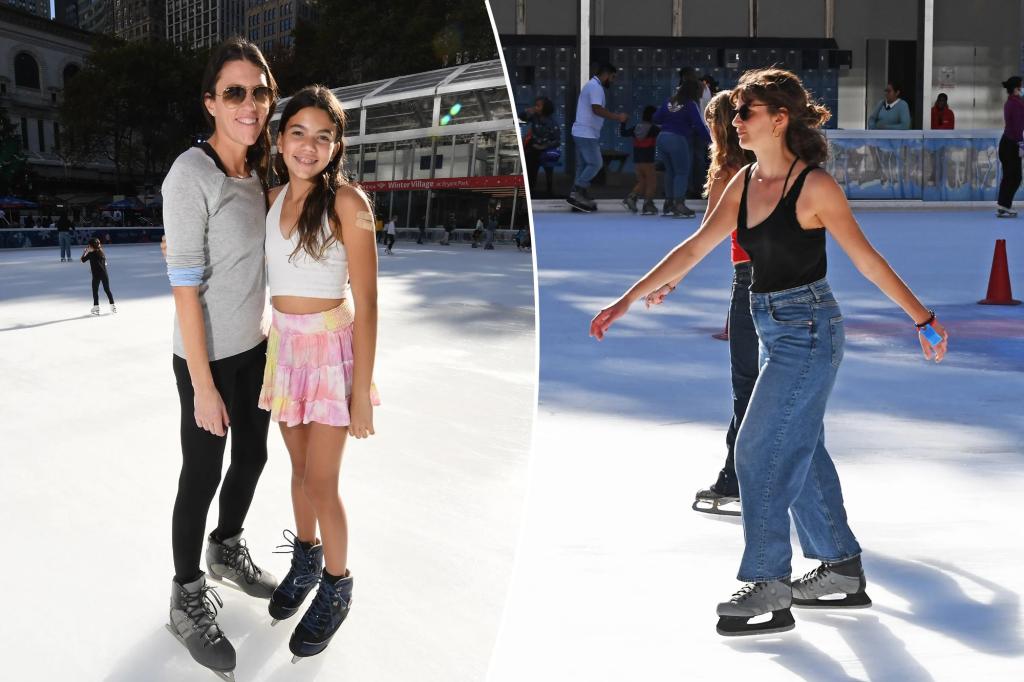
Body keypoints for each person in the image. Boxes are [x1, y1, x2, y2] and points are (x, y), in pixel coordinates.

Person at [590, 67, 948, 637]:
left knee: (759, 449)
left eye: (746, 112)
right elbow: (695, 246)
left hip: (809, 329)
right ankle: (841, 567)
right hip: (770, 327)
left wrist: (922, 319)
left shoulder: (815, 187)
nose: (736, 120)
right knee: (799, 446)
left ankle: (767, 582)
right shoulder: (745, 181)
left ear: (779, 120)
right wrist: (626, 299)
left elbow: (867, 260)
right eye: (736, 113)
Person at [162, 38, 279, 680]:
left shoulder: (257, 172)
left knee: (254, 456)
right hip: (204, 358)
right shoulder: (191, 173)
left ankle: (225, 550)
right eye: (234, 92)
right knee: (201, 476)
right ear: (211, 102)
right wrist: (203, 385)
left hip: (253, 348)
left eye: (259, 91)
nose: (249, 103)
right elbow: (185, 289)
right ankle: (184, 593)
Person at [258, 85, 380, 663]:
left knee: (322, 482)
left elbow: (370, 301)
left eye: (323, 136)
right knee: (298, 472)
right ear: (280, 140)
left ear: (337, 145)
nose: (310, 146)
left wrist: (360, 393)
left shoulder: (347, 201)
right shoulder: (271, 197)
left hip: (332, 356)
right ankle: (305, 561)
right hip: (285, 351)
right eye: (298, 133)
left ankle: (338, 584)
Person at [648, 90, 755, 516]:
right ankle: (757, 475)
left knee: (747, 386)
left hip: (750, 284)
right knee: (773, 385)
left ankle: (737, 478)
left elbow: (702, 242)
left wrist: (669, 283)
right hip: (790, 282)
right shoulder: (767, 167)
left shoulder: (730, 170)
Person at [567, 63, 628, 212]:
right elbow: (597, 109)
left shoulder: (591, 85)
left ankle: (578, 198)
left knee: (583, 166)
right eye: (612, 77)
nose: (612, 81)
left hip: (582, 131)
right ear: (606, 74)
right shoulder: (595, 87)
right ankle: (578, 191)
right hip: (586, 133)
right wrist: (617, 117)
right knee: (595, 164)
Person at [653, 79, 711, 218]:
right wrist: (710, 140)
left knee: (670, 172)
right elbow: (698, 124)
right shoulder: (690, 104)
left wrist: (670, 119)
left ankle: (669, 204)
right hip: (678, 139)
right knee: (681, 172)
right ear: (695, 91)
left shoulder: (669, 101)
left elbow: (656, 118)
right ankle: (679, 204)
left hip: (662, 138)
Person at [620, 105, 660, 215]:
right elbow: (664, 133)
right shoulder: (653, 129)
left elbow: (623, 133)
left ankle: (631, 198)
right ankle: (648, 204)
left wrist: (623, 122)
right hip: (648, 160)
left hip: (637, 160)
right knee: (652, 182)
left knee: (642, 182)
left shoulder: (636, 127)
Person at [520, 96, 561, 198]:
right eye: (536, 105)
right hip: (533, 147)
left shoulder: (552, 123)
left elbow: (557, 140)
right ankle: (529, 189)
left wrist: (543, 146)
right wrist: (526, 112)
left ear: (545, 108)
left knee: (544, 164)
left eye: (538, 106)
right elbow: (520, 120)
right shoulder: (534, 118)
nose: (535, 107)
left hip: (546, 149)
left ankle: (548, 190)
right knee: (530, 164)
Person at [997, 76, 1024, 218]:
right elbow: (1017, 127)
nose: (1022, 89)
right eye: (1021, 86)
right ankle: (1005, 205)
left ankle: (1003, 204)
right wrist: (1021, 143)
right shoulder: (1017, 104)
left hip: (1007, 143)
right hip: (1011, 144)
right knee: (1015, 176)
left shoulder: (1012, 102)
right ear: (1015, 88)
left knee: (1009, 176)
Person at [80, 237, 115, 315]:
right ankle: (113, 306)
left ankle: (96, 307)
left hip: (96, 275)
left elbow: (82, 260)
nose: (88, 247)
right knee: (107, 290)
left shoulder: (90, 254)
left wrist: (85, 252)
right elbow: (105, 263)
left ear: (91, 246)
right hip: (104, 274)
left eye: (89, 246)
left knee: (95, 291)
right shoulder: (101, 253)